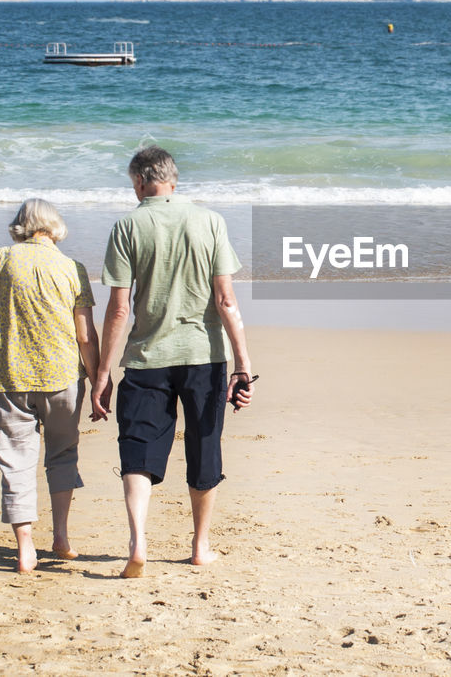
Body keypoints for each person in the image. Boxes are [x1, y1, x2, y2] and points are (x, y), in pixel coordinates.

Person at [89, 146, 254, 578]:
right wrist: (242, 363)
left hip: (147, 358)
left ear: (141, 182)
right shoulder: (210, 221)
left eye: (133, 186)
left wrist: (102, 374)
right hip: (205, 355)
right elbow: (226, 300)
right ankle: (200, 547)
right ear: (174, 181)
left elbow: (119, 310)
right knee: (204, 445)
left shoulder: (127, 226)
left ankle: (138, 541)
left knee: (139, 450)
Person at [0, 198, 101, 574]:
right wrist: (97, 383)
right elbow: (85, 335)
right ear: (55, 227)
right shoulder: (72, 268)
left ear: (20, 226)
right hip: (62, 377)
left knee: (16, 458)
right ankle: (60, 536)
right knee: (62, 453)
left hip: (11, 375)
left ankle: (25, 546)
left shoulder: (3, 258)